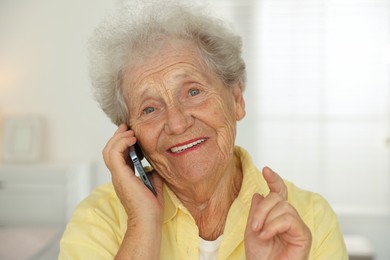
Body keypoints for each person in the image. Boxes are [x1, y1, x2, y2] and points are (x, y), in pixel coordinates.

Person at [59, 2, 347, 259]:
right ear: (129, 136)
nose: (177, 123)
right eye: (149, 109)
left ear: (236, 99)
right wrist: (142, 224)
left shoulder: (309, 218)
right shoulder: (99, 219)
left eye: (193, 91)